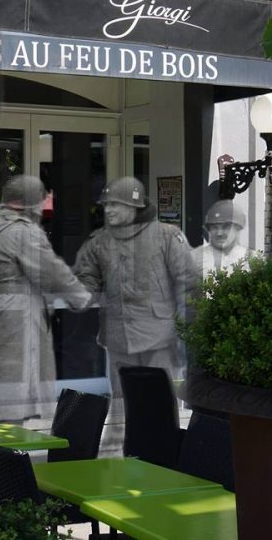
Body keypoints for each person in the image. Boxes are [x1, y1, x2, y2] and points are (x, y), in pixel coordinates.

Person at [74, 176, 200, 421]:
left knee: (160, 405)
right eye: (106, 205)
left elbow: (189, 283)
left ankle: (163, 454)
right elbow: (87, 276)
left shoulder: (167, 236)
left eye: (114, 204)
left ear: (134, 207)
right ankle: (129, 453)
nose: (108, 209)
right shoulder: (99, 241)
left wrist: (191, 333)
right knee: (123, 407)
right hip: (117, 336)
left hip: (158, 338)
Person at [0, 175, 92, 423]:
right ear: (32, 204)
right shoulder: (23, 233)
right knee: (13, 388)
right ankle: (7, 448)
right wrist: (82, 298)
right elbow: (53, 272)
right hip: (14, 320)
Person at [192, 199, 255, 278]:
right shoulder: (195, 257)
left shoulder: (252, 258)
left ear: (237, 228)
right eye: (214, 227)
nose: (219, 233)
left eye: (226, 227)